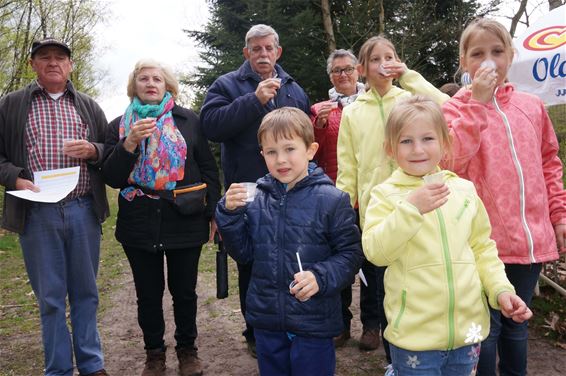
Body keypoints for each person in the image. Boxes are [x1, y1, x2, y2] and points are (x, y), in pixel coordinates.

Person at [363, 96, 532, 375]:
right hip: (413, 336)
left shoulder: (464, 190)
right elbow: (376, 252)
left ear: (445, 143)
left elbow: (482, 248)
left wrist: (501, 290)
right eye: (406, 141)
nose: (418, 149)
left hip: (469, 332)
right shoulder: (385, 195)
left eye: (428, 138)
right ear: (390, 149)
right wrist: (410, 209)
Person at [442, 18, 566, 376]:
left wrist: (558, 215)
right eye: (477, 53)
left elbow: (549, 162)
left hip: (529, 240)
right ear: (464, 61)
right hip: (481, 243)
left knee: (517, 325)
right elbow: (450, 160)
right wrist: (477, 104)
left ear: (511, 55)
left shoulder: (532, 106)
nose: (489, 61)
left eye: (497, 52)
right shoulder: (453, 110)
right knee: (487, 329)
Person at [215, 107, 363, 375]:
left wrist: (320, 276)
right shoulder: (256, 198)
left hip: (313, 321)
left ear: (310, 149)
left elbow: (350, 255)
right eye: (271, 152)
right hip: (267, 320)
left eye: (289, 149)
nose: (281, 159)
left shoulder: (332, 200)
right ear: (262, 155)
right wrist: (229, 216)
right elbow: (245, 254)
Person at [336, 35, 449, 369]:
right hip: (378, 213)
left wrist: (410, 75)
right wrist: (345, 209)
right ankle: (393, 357)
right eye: (375, 59)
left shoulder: (410, 100)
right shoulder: (353, 112)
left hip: (420, 204)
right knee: (384, 286)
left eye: (391, 56)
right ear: (362, 69)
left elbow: (447, 105)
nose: (384, 63)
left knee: (417, 281)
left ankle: (435, 348)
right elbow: (348, 167)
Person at [102, 59, 220, 376]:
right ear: (134, 87)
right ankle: (154, 354)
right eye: (143, 78)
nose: (151, 83)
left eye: (157, 78)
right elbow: (112, 177)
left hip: (184, 217)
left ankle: (187, 351)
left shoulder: (188, 121)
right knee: (148, 295)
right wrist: (129, 143)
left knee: (184, 292)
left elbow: (208, 168)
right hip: (138, 221)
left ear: (167, 86)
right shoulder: (119, 126)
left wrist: (215, 212)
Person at [0, 37, 110, 376]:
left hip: (81, 210)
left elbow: (110, 150)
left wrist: (94, 150)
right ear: (33, 64)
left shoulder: (89, 105)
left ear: (70, 66)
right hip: (36, 213)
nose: (52, 63)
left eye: (60, 58)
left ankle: (92, 365)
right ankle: (58, 369)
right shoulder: (11, 105)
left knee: (86, 293)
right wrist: (15, 178)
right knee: (50, 299)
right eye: (44, 57)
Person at [200, 24, 309, 356]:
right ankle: (255, 331)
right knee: (252, 263)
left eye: (269, 48)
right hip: (250, 193)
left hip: (292, 191)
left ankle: (294, 323)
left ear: (278, 51)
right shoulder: (227, 84)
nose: (263, 54)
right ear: (246, 53)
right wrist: (253, 100)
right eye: (256, 49)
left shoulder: (294, 88)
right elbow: (211, 126)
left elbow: (302, 139)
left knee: (294, 256)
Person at [310, 49, 382, 350]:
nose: (343, 75)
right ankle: (339, 324)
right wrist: (321, 126)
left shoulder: (373, 104)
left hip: (368, 195)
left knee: (371, 264)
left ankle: (371, 325)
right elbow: (313, 151)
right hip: (332, 197)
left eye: (348, 69)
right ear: (330, 76)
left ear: (359, 72)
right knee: (336, 263)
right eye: (337, 70)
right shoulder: (319, 109)